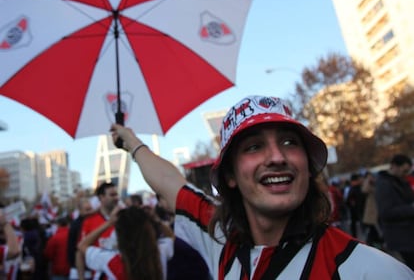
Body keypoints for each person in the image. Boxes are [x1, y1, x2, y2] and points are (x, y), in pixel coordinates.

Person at [110, 95, 414, 279]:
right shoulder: (221, 239)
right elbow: (169, 183)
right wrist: (131, 142)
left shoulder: (370, 271)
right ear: (230, 175)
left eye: (289, 142)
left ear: (307, 163)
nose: (277, 157)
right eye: (254, 147)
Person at [77, 206, 174, 280]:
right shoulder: (160, 252)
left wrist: (109, 222)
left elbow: (82, 245)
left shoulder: (111, 261)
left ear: (119, 235)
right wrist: (155, 218)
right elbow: (171, 237)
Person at [375, 154, 414, 271]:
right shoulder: (384, 184)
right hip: (401, 237)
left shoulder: (400, 181)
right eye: (404, 170)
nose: (406, 174)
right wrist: (411, 209)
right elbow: (386, 212)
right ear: (394, 167)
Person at [76, 182, 119, 280]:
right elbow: (80, 252)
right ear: (101, 197)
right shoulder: (89, 221)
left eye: (116, 194)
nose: (116, 198)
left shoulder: (125, 218)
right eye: (112, 195)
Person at [67, 198, 94, 280]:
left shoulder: (93, 222)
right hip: (79, 270)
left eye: (91, 209)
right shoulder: (75, 225)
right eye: (87, 210)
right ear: (80, 210)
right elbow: (72, 248)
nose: (90, 212)